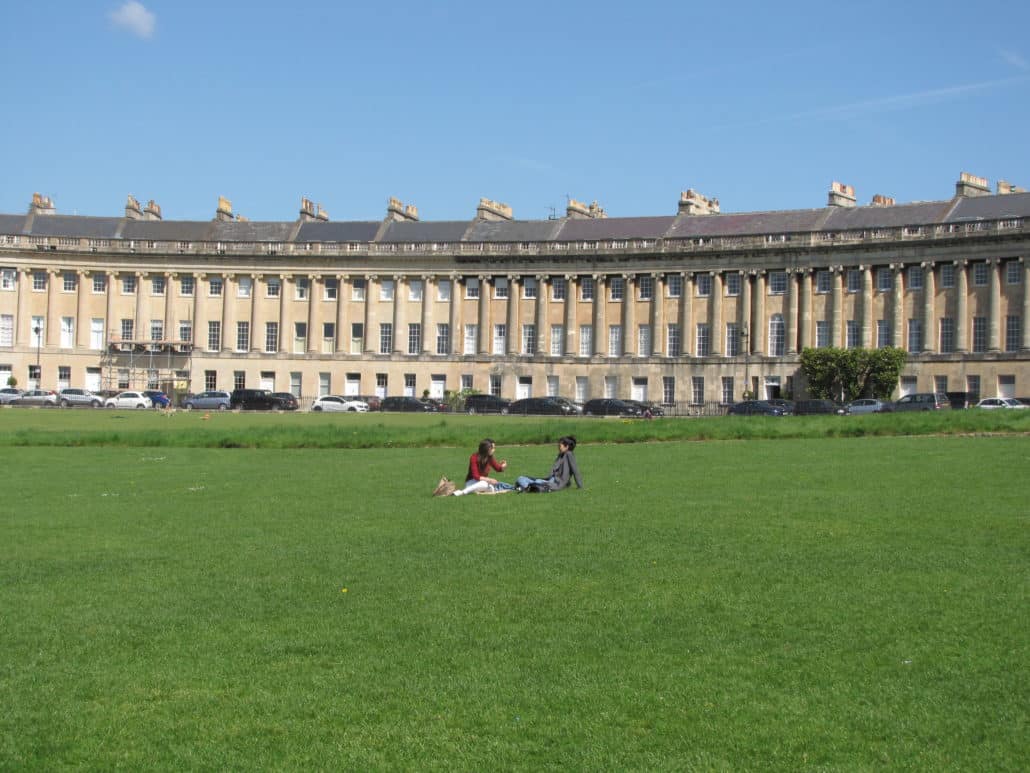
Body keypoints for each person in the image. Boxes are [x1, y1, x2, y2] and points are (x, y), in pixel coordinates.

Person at [515, 435, 583, 492]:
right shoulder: (560, 455)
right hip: (549, 480)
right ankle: (527, 488)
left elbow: (575, 471)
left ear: (567, 446)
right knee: (520, 478)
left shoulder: (569, 454)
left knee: (534, 483)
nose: (558, 448)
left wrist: (580, 486)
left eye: (560, 446)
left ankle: (526, 488)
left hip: (555, 483)